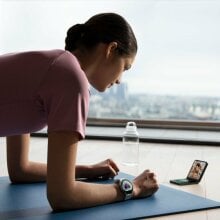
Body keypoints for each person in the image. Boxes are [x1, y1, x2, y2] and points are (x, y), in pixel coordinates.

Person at [0, 13, 159, 211]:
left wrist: (87, 170)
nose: (120, 80)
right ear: (111, 49)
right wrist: (131, 188)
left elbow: (20, 170)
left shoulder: (49, 66)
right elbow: (62, 196)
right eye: (125, 67)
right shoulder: (70, 79)